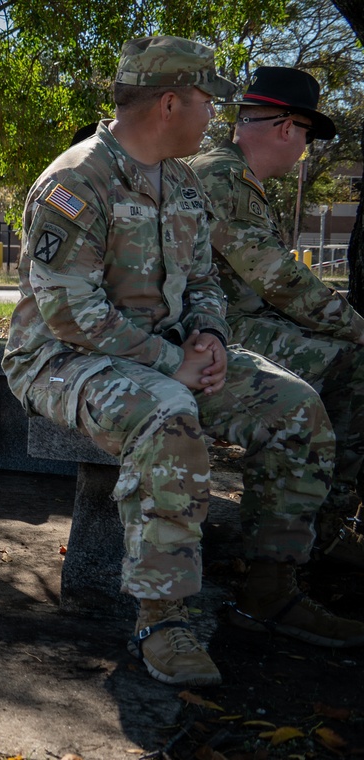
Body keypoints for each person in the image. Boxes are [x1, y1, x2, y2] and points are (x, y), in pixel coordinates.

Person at [2, 35, 364, 687]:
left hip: (164, 352)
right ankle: (163, 620)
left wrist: (211, 338)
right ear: (170, 103)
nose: (214, 117)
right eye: (206, 101)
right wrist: (172, 362)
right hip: (62, 360)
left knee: (294, 406)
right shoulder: (76, 180)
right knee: (168, 415)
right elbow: (70, 314)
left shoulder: (183, 185)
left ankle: (270, 588)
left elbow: (202, 284)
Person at [189, 67, 364, 568]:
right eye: (307, 135)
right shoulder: (223, 175)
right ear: (287, 127)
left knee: (347, 358)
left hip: (231, 323)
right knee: (354, 366)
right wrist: (354, 324)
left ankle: (315, 530)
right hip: (215, 330)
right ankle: (316, 539)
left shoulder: (229, 172)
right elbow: (278, 279)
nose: (304, 147)